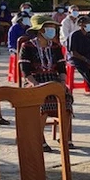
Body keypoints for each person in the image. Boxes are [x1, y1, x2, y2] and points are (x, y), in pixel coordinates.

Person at [19, 15, 74, 151]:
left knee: (67, 99)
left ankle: (64, 136)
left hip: (54, 80)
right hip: (35, 80)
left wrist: (62, 82)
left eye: (53, 27)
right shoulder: (27, 46)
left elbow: (61, 68)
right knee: (43, 102)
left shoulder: (55, 47)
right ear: (40, 30)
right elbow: (25, 71)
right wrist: (35, 84)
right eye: (49, 27)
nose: (52, 30)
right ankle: (39, 138)